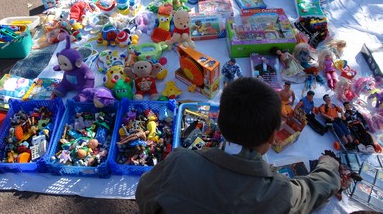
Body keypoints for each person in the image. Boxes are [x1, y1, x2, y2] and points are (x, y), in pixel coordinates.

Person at [136, 77, 340, 213]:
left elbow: (144, 193)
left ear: (220, 123)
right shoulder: (279, 192)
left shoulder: (179, 162)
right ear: (272, 137)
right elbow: (314, 190)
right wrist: (329, 164)